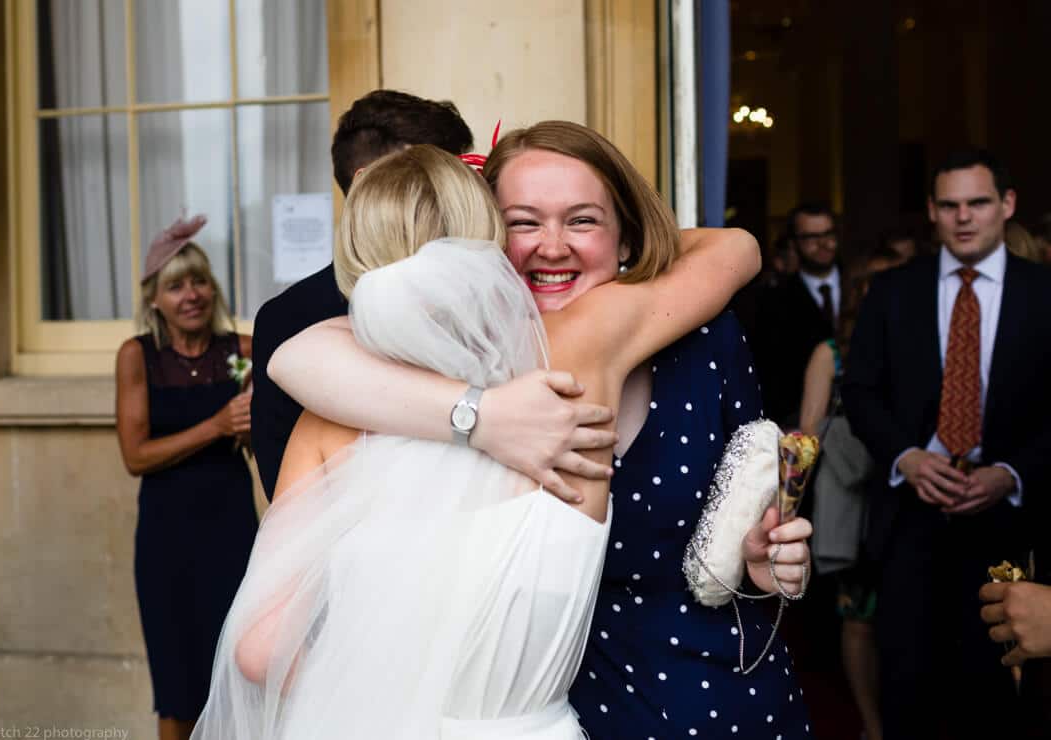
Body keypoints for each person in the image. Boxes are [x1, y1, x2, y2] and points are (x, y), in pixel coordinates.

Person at [269, 121, 815, 739]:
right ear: (478, 240)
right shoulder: (432, 371)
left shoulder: (704, 340)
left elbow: (747, 496)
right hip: (575, 714)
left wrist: (760, 557)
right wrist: (478, 413)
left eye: (582, 220)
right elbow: (298, 355)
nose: (552, 246)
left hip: (718, 700)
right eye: (523, 222)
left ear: (626, 234)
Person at [843, 148, 1051, 738]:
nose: (964, 218)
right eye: (950, 205)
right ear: (932, 212)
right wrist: (906, 458)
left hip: (1010, 521)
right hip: (911, 516)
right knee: (907, 685)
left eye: (979, 203)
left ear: (1007, 206)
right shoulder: (891, 291)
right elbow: (859, 391)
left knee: (996, 693)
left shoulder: (1044, 292)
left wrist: (1010, 472)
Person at [249, 89, 476, 499]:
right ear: (369, 184)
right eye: (435, 179)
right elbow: (285, 493)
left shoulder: (486, 294)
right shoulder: (291, 317)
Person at [114, 215, 259, 740]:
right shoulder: (138, 357)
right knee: (177, 685)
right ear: (154, 298)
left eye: (198, 281)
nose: (191, 295)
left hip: (231, 528)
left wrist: (252, 429)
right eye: (175, 285)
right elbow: (136, 456)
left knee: (239, 673)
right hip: (167, 536)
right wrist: (217, 425)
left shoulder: (241, 352)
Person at [798, 246, 904, 740]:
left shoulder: (923, 347)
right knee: (859, 616)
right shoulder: (832, 353)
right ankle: (871, 724)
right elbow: (807, 435)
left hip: (909, 499)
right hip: (851, 505)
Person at [752, 202, 843, 426]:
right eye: (811, 237)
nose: (823, 244)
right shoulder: (773, 301)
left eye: (828, 234)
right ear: (794, 243)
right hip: (797, 424)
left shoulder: (863, 287)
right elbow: (771, 373)